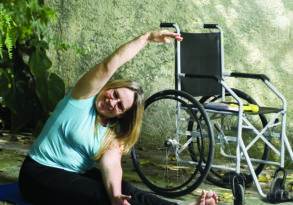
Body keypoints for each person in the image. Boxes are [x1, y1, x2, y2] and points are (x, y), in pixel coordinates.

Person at [18, 30, 218, 205]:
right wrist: (146, 38)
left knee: (126, 191)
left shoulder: (113, 134)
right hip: (37, 174)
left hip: (73, 177)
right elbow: (109, 65)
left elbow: (111, 165)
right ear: (110, 87)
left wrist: (116, 195)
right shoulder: (82, 96)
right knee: (100, 196)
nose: (111, 102)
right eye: (114, 94)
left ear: (122, 115)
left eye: (119, 105)